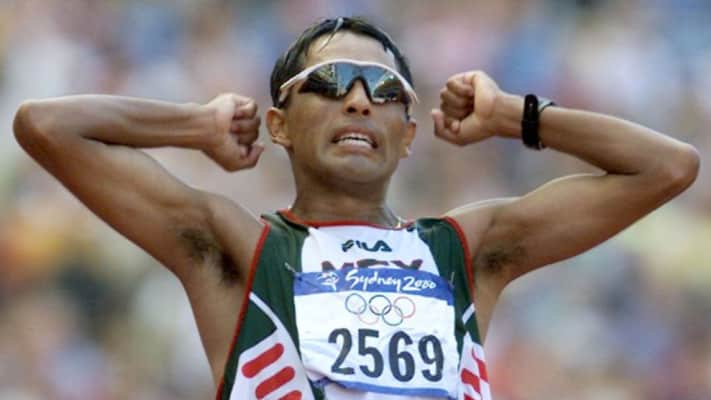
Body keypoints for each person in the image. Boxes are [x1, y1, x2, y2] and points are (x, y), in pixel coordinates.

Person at [13, 16, 699, 400]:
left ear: (408, 135)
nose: (360, 100)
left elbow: (669, 167)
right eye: (331, 81)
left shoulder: (465, 250)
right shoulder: (237, 248)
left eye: (386, 88)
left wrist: (511, 115)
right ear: (279, 124)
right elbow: (46, 127)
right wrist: (194, 124)